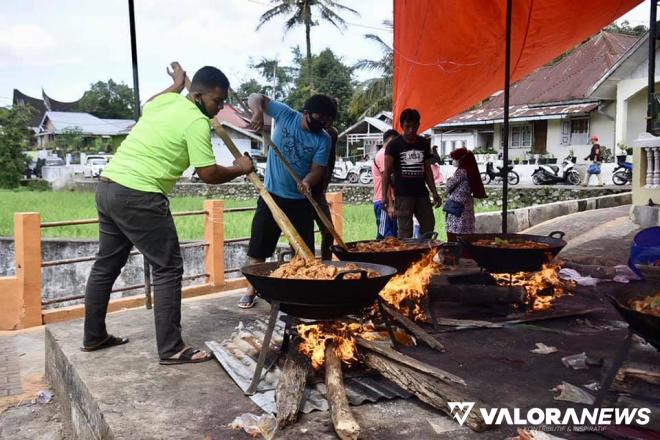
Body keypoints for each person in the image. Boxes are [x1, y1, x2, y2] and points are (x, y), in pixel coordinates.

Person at [83, 62, 253, 365]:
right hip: (140, 195)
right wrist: (240, 168)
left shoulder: (166, 101)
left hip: (109, 187)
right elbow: (208, 173)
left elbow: (148, 104)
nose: (219, 108)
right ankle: (172, 348)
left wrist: (175, 84)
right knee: (168, 267)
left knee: (106, 266)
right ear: (198, 95)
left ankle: (94, 336)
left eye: (223, 101)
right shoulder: (196, 123)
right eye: (216, 101)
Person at [238, 93, 335, 308]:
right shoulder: (286, 114)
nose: (321, 125)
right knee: (258, 249)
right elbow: (256, 97)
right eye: (318, 119)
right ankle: (251, 288)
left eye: (326, 122)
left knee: (302, 250)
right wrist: (257, 112)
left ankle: (299, 288)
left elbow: (317, 169)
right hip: (271, 196)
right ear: (306, 113)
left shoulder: (324, 139)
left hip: (300, 201)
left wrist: (308, 182)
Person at [382, 108, 442, 239]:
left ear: (418, 125)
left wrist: (435, 193)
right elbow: (386, 173)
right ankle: (405, 258)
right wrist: (384, 198)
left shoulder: (423, 143)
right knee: (404, 232)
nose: (411, 130)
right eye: (407, 126)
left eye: (414, 126)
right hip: (403, 196)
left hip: (422, 194)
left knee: (429, 226)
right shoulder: (394, 145)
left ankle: (425, 255)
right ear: (402, 125)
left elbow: (427, 171)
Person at [444, 148, 487, 242]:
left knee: (455, 230)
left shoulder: (461, 171)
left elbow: (448, 187)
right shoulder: (471, 169)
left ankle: (456, 251)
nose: (453, 161)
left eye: (455, 159)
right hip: (467, 204)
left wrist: (448, 180)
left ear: (461, 159)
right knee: (466, 230)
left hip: (457, 206)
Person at [312, 123, 338, 260]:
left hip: (318, 193)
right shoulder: (311, 134)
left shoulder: (332, 134)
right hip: (301, 192)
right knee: (303, 235)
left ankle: (326, 264)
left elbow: (328, 166)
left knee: (328, 230)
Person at [372, 129, 400, 239]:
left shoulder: (386, 155)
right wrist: (390, 205)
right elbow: (386, 179)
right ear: (391, 141)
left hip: (388, 201)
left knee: (391, 236)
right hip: (384, 202)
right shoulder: (383, 155)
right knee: (386, 237)